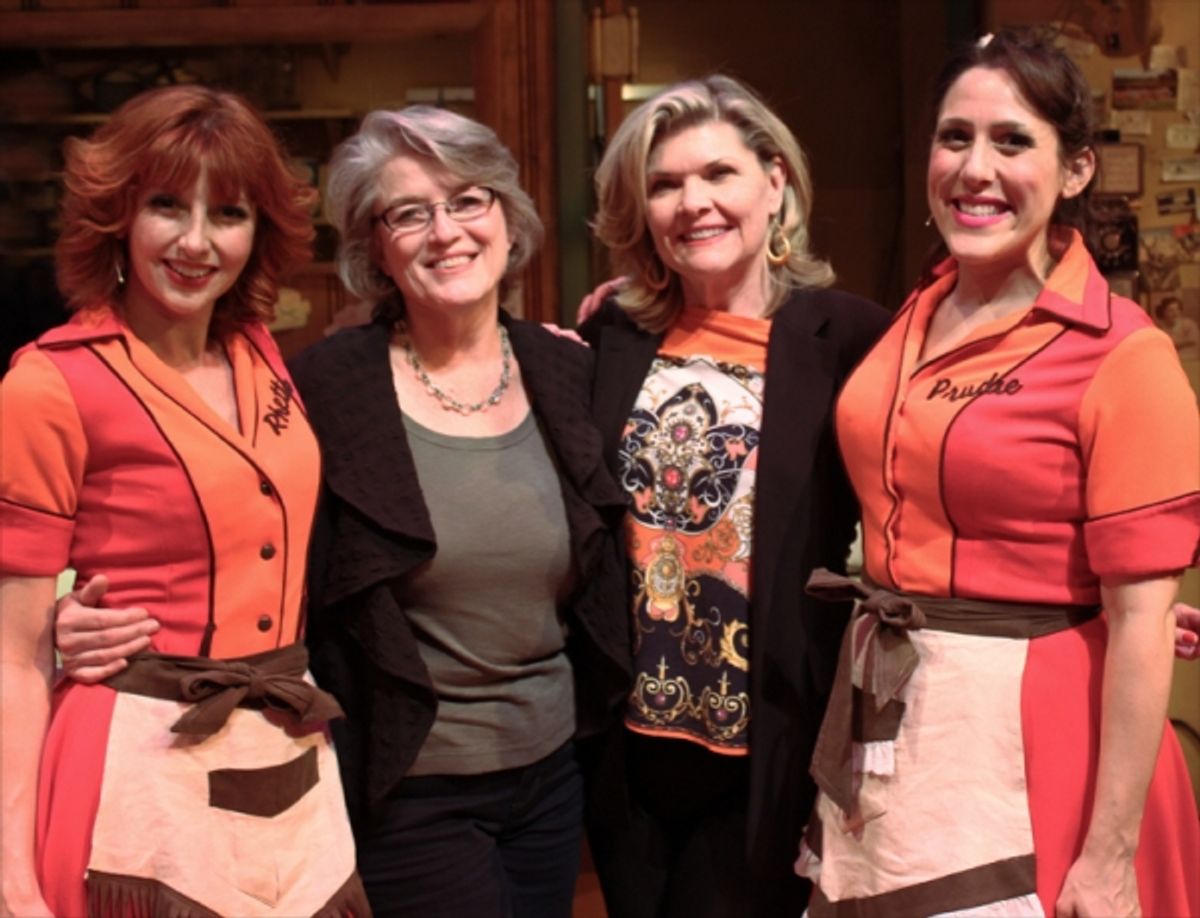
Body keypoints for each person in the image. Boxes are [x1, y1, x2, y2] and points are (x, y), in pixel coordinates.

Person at [796, 31, 1200, 917]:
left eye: (1012, 141)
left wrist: (1109, 857)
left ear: (1077, 170)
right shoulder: (917, 308)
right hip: (895, 700)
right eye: (955, 138)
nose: (975, 168)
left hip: (1029, 736)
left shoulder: (1122, 355)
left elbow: (1141, 624)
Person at [0, 86, 367, 917]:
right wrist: (8, 877)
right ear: (118, 216)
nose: (196, 242)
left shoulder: (261, 353)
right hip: (133, 767)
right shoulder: (48, 383)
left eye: (228, 214)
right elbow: (10, 658)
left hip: (290, 750)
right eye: (167, 206)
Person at [575, 75, 889, 917]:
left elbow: (935, 490)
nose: (693, 203)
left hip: (768, 740)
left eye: (719, 174)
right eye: (666, 184)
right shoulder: (612, 336)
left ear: (776, 183)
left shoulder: (853, 340)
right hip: (626, 750)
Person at [1154, 294, 1200, 360]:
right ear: (1163, 312)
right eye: (1170, 310)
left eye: (1177, 309)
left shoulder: (1189, 324)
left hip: (1189, 360)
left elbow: (1193, 342)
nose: (1175, 313)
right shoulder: (1159, 327)